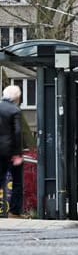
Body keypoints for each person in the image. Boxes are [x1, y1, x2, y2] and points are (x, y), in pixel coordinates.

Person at [0, 85, 24, 218]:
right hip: (10, 152)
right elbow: (17, 132)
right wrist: (17, 154)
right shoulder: (15, 110)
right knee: (17, 182)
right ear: (17, 97)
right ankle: (14, 211)